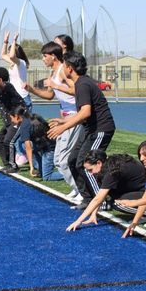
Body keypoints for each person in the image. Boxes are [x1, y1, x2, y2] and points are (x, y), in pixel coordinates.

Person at [47, 51, 115, 208]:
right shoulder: (80, 83)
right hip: (90, 128)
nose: (62, 68)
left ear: (69, 68)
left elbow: (86, 112)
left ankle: (102, 199)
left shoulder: (83, 84)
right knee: (73, 160)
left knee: (86, 162)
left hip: (101, 129)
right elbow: (83, 114)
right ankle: (88, 198)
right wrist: (63, 120)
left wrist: (63, 127)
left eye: (64, 65)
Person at [25, 42, 82, 200]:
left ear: (53, 56)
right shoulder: (53, 74)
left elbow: (77, 89)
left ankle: (81, 190)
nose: (43, 59)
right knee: (58, 158)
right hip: (64, 118)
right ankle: (76, 188)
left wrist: (55, 84)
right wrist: (32, 89)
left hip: (73, 117)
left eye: (45, 56)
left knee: (63, 158)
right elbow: (50, 95)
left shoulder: (63, 70)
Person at [66, 150, 146, 232]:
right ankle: (145, 211)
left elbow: (98, 199)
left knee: (117, 203)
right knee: (113, 195)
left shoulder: (111, 172)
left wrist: (78, 221)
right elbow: (101, 195)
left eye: (90, 170)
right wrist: (93, 214)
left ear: (99, 163)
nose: (91, 174)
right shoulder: (109, 165)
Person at [1, 31, 32, 113]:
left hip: (22, 97)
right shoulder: (13, 63)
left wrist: (14, 40)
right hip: (14, 96)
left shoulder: (21, 62)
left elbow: (11, 56)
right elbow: (3, 55)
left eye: (10, 51)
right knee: (15, 123)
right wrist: (5, 41)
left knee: (25, 123)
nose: (8, 53)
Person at [27, 114, 62, 181]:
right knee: (31, 148)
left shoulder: (46, 133)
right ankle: (40, 168)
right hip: (45, 148)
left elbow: (29, 148)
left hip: (49, 150)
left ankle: (70, 174)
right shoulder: (42, 126)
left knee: (47, 176)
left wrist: (31, 167)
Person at [7, 106, 36, 176]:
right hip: (43, 145)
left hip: (47, 147)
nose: (12, 121)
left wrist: (31, 167)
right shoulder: (27, 120)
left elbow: (28, 147)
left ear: (16, 116)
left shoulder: (25, 126)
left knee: (46, 176)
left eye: (12, 118)